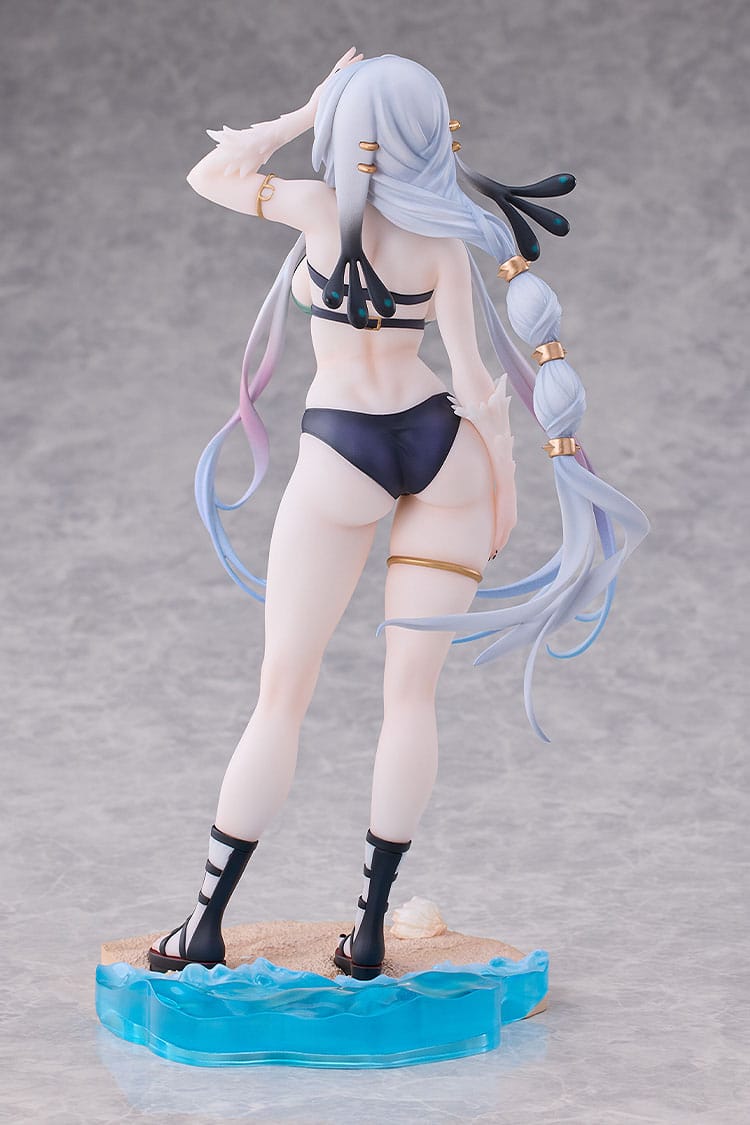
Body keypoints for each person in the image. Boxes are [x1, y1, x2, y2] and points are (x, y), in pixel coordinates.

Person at [148, 50, 648, 980]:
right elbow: (478, 386)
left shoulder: (314, 208)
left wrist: (304, 111)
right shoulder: (442, 242)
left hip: (342, 450)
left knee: (282, 694)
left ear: (351, 131)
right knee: (410, 700)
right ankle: (368, 932)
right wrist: (501, 492)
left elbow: (210, 173)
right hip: (444, 448)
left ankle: (204, 923)